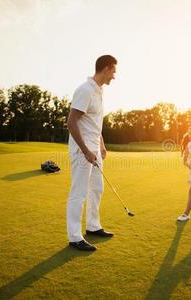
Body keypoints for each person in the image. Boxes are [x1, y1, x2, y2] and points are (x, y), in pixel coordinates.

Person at [66, 55, 117, 251]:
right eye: (113, 71)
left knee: (97, 187)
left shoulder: (99, 91)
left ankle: (93, 226)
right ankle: (74, 236)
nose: (114, 76)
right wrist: (86, 150)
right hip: (82, 150)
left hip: (94, 148)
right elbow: (71, 123)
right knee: (78, 192)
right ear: (105, 69)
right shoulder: (85, 90)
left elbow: (94, 122)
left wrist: (101, 144)